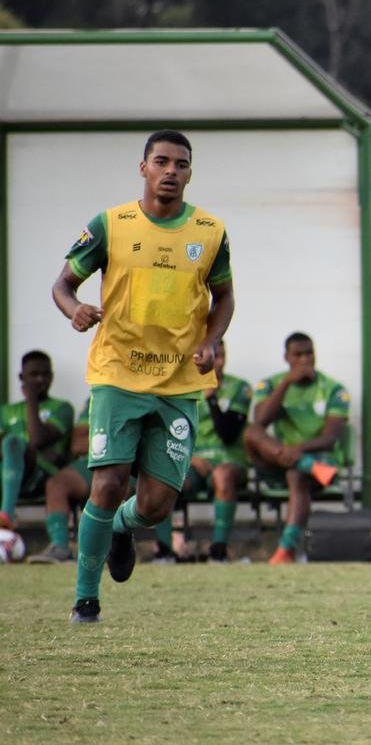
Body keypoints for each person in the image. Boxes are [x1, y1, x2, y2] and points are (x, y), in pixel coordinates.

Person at [51, 129, 234, 623]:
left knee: (155, 505)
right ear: (144, 168)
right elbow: (64, 283)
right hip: (117, 373)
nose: (171, 171)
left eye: (181, 164)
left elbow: (225, 298)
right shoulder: (111, 224)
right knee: (107, 484)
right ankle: (85, 599)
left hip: (177, 382)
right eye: (162, 161)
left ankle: (122, 529)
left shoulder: (210, 232)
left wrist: (210, 341)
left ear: (190, 172)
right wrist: (74, 310)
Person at [244, 332, 348, 565]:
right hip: (282, 460)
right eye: (298, 354)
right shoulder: (270, 385)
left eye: (309, 353)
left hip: (320, 459)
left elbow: (330, 439)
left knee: (296, 473)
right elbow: (260, 421)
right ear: (286, 357)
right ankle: (306, 465)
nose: (304, 360)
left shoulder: (333, 389)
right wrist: (287, 382)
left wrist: (296, 450)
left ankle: (286, 550)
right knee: (251, 433)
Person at [187, 339, 252, 563]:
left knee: (222, 475)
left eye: (221, 357)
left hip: (229, 460)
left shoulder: (239, 388)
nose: (218, 363)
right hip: (192, 462)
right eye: (213, 357)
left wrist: (211, 397)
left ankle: (218, 551)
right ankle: (165, 551)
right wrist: (190, 459)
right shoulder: (182, 387)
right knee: (163, 479)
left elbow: (229, 434)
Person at [1, 351, 74, 521]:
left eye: (45, 374)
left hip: (44, 475)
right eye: (34, 374)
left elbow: (37, 440)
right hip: (9, 473)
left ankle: (6, 518)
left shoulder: (62, 408)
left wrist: (31, 399)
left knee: (12, 442)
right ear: (22, 377)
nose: (41, 379)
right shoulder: (6, 411)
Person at [27, 398, 93, 563]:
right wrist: (118, 440)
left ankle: (115, 548)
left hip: (131, 462)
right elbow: (78, 444)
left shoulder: (149, 391)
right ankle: (60, 548)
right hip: (92, 460)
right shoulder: (101, 394)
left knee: (117, 488)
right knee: (57, 484)